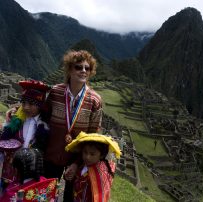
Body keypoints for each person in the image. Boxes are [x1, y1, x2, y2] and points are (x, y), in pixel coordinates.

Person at [43, 50, 103, 201]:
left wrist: (77, 163)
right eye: (78, 67)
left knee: (71, 197)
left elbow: (92, 135)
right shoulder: (55, 92)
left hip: (77, 158)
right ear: (69, 69)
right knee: (46, 195)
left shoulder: (95, 100)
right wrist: (17, 111)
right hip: (51, 155)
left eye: (87, 68)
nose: (83, 71)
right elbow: (42, 119)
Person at [0, 80, 50, 186]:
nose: (26, 107)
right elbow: (5, 139)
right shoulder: (15, 120)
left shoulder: (45, 126)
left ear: (40, 105)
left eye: (31, 104)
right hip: (10, 170)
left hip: (30, 172)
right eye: (23, 103)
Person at [64, 131, 121, 202]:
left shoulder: (100, 175)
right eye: (85, 152)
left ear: (102, 155)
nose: (87, 157)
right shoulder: (83, 165)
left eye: (92, 154)